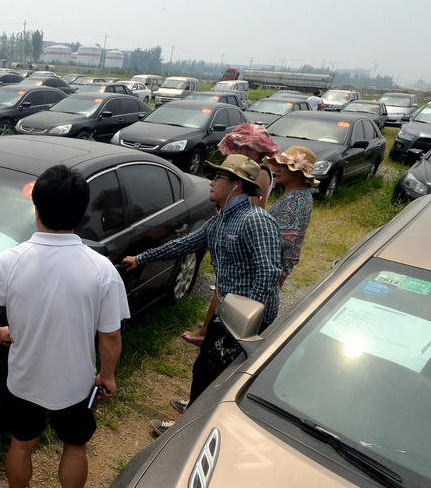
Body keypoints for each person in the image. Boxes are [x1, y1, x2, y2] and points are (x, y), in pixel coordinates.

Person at [0, 165, 128, 488]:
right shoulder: (100, 270)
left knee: (21, 443)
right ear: (82, 214)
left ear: (36, 209)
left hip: (24, 377)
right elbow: (110, 337)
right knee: (75, 445)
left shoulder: (11, 260)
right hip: (75, 383)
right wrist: (108, 375)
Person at [123, 155, 281, 434]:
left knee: (217, 374)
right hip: (229, 314)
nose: (211, 182)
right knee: (207, 369)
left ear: (237, 185)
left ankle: (187, 431)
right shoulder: (218, 223)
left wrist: (249, 318)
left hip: (247, 321)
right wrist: (141, 258)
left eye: (218, 177)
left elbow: (268, 272)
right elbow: (181, 245)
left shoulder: (255, 220)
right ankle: (196, 410)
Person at [181, 124, 279, 346]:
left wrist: (246, 315)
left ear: (260, 151)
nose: (243, 153)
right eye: (240, 148)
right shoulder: (220, 217)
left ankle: (212, 332)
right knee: (223, 288)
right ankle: (207, 330)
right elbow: (185, 243)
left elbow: (253, 209)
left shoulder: (258, 175)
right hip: (232, 231)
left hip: (243, 241)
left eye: (249, 149)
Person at [265, 146, 316, 286]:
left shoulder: (295, 200)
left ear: (298, 173)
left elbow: (284, 240)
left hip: (271, 268)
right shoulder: (297, 194)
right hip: (272, 266)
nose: (277, 169)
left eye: (284, 166)